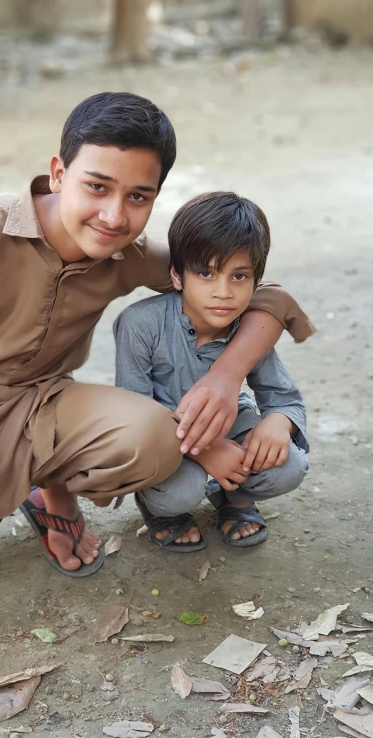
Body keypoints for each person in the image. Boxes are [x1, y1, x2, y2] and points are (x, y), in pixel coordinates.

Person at [0, 93, 314, 611]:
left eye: (138, 197)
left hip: (45, 406)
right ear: (58, 172)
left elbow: (265, 296)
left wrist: (227, 374)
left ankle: (52, 493)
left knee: (155, 437)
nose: (113, 215)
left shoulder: (126, 251)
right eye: (97, 186)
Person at [114, 192, 310, 552]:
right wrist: (204, 450)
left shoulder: (248, 329)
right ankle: (158, 510)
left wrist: (278, 423)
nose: (223, 293)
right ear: (177, 275)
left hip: (232, 425)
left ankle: (233, 500)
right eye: (205, 273)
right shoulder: (140, 324)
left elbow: (284, 399)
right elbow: (133, 413)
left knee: (288, 465)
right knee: (179, 493)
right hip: (164, 441)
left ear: (256, 281)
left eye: (239, 276)